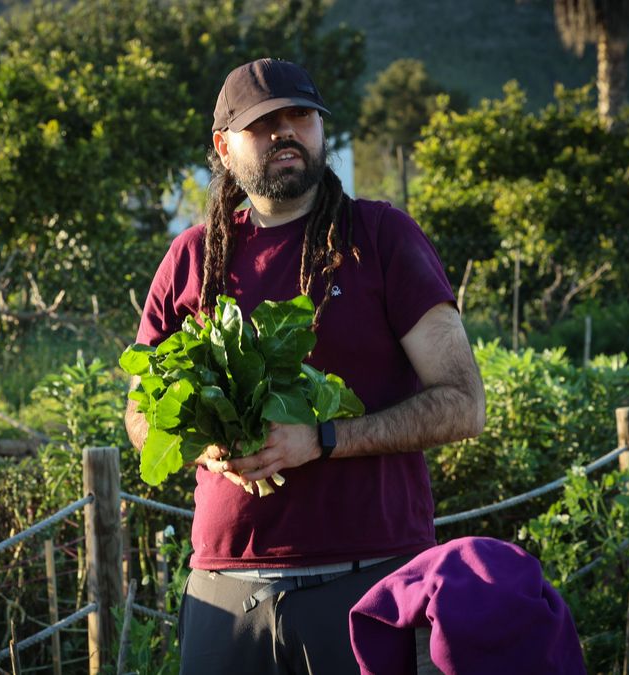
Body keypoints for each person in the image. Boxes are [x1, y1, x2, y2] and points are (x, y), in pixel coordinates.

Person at [124, 58, 486, 673]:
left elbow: (463, 403)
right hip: (225, 589)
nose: (286, 132)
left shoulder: (380, 237)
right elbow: (139, 414)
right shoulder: (191, 258)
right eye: (263, 124)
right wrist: (203, 445)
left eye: (300, 116)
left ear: (321, 129)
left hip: (367, 581)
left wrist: (321, 440)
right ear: (223, 145)